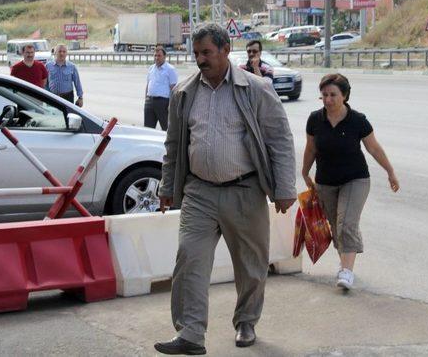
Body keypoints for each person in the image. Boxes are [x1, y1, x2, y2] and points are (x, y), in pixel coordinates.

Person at [154, 24, 297, 355]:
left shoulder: (256, 89)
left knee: (251, 265)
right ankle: (190, 332)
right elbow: (174, 144)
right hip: (199, 193)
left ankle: (246, 321)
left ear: (225, 49)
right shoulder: (184, 93)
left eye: (207, 52)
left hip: (245, 190)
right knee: (190, 257)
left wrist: (285, 187)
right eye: (196, 54)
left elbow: (280, 140)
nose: (200, 60)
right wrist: (167, 185)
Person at [302, 73, 399, 290]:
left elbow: (374, 148)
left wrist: (390, 171)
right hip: (326, 180)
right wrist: (305, 171)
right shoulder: (314, 120)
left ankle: (346, 271)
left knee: (346, 223)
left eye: (333, 95)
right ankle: (345, 261)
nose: (328, 100)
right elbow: (311, 148)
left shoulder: (357, 120)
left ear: (344, 95)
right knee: (337, 226)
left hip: (356, 179)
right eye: (324, 95)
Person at [144, 46, 178, 131]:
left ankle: (167, 144)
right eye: (155, 55)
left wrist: (171, 105)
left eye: (159, 55)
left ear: (164, 56)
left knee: (166, 129)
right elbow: (148, 84)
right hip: (150, 102)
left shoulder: (170, 69)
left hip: (163, 103)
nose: (156, 58)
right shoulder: (151, 68)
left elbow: (173, 89)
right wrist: (146, 99)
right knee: (148, 130)